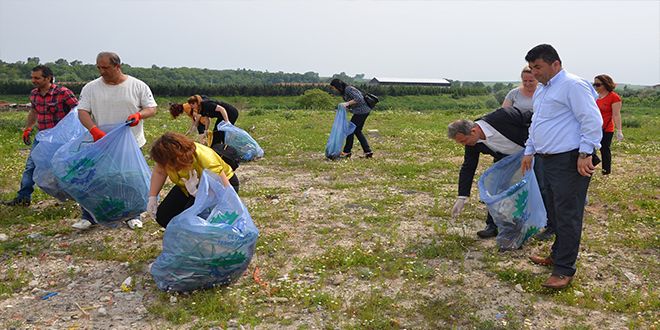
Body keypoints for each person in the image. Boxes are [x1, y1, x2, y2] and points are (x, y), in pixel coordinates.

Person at [521, 44, 602, 289]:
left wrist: (586, 152)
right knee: (554, 211)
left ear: (555, 64)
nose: (534, 73)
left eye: (538, 67)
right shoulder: (543, 90)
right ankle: (556, 256)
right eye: (532, 68)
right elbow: (538, 122)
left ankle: (564, 269)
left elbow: (591, 118)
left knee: (568, 214)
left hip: (569, 160)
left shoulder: (573, 85)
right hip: (546, 159)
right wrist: (529, 150)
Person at [75, 51, 158, 230]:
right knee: (95, 179)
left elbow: (151, 108)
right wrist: (94, 130)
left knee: (129, 180)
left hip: (132, 143)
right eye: (99, 67)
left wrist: (139, 115)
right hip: (101, 142)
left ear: (117, 66)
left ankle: (133, 215)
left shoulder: (137, 85)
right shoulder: (91, 88)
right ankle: (89, 216)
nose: (101, 71)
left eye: (105, 67)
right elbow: (82, 112)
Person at [447, 106, 533, 239]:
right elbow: (468, 167)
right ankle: (492, 226)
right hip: (507, 159)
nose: (463, 145)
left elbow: (533, 118)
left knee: (544, 187)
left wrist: (535, 144)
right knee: (495, 186)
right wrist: (462, 197)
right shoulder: (472, 143)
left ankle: (549, 226)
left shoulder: (503, 116)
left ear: (474, 131)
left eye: (463, 141)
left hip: (534, 152)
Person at [2, 65, 78, 207]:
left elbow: (77, 112)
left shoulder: (63, 93)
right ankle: (23, 197)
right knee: (31, 166)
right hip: (42, 137)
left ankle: (76, 196)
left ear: (48, 78)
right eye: (32, 77)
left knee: (66, 168)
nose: (33, 80)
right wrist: (28, 128)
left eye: (37, 78)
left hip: (61, 139)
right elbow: (34, 112)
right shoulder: (34, 94)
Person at [146, 132, 239, 228]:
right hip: (187, 187)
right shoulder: (167, 159)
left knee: (190, 220)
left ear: (178, 158)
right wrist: (152, 197)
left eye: (168, 164)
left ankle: (198, 238)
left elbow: (225, 193)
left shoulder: (207, 159)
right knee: (164, 216)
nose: (166, 167)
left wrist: (197, 194)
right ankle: (181, 236)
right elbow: (159, 172)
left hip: (217, 188)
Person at [329, 78, 373, 158]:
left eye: (333, 88)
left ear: (337, 86)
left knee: (350, 130)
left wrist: (347, 103)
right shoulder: (344, 92)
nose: (334, 90)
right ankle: (368, 152)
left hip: (361, 111)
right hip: (361, 111)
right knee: (357, 131)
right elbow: (352, 103)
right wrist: (344, 108)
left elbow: (359, 99)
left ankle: (347, 152)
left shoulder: (348, 89)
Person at [593, 74, 624, 175]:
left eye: (598, 84)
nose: (595, 87)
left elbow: (616, 114)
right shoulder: (595, 96)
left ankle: (606, 172)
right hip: (594, 127)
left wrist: (619, 130)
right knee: (590, 148)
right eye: (594, 84)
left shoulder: (614, 97)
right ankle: (592, 164)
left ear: (605, 84)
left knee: (604, 149)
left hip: (606, 128)